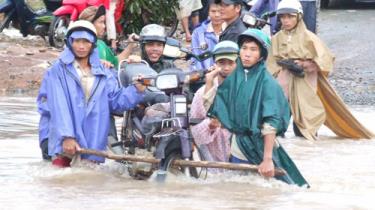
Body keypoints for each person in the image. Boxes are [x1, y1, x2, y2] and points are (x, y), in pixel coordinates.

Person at [37, 20, 146, 167]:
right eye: (77, 41)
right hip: (62, 140)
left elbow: (115, 102)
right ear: (70, 42)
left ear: (93, 44)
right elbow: (59, 106)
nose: (81, 46)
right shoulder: (57, 71)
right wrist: (67, 136)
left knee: (87, 183)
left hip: (92, 139)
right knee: (61, 183)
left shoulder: (104, 72)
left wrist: (137, 89)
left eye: (86, 42)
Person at [208, 28, 309, 186]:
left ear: (261, 55)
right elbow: (220, 106)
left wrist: (268, 159)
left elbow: (271, 122)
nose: (247, 54)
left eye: (253, 49)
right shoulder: (236, 77)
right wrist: (209, 82)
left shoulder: (267, 83)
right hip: (238, 145)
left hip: (260, 146)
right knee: (237, 190)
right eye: (244, 48)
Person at [266, 0, 374, 140]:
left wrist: (304, 64)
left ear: (299, 16)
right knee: (277, 128)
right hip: (284, 88)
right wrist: (284, 65)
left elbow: (325, 61)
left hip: (305, 87)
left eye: (290, 16)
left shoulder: (310, 38)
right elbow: (270, 66)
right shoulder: (276, 39)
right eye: (282, 17)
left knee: (304, 130)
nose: (286, 20)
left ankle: (306, 156)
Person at [190, 40, 238, 162]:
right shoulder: (201, 93)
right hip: (212, 149)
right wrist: (210, 125)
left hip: (238, 147)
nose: (226, 68)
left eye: (231, 63)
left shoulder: (246, 89)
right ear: (214, 64)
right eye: (221, 63)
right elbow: (194, 126)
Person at [190, 0, 225, 71]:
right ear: (208, 12)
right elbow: (196, 57)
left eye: (220, 12)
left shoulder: (231, 31)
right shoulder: (198, 32)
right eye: (213, 11)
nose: (217, 15)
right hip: (205, 74)